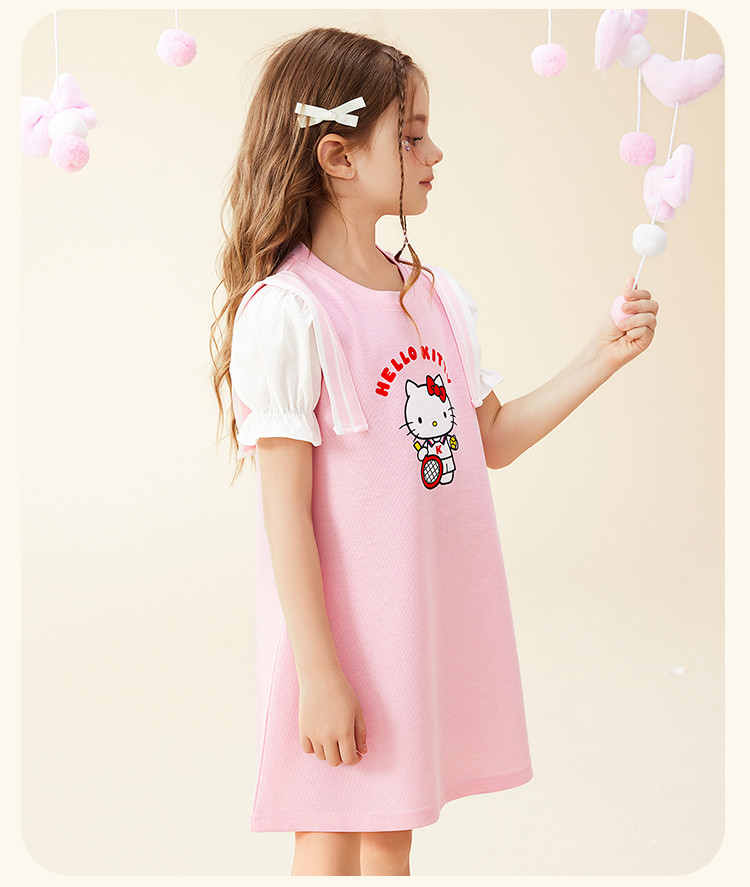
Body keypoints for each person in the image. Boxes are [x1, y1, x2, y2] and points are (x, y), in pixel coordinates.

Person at [209, 26, 658, 877]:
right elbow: (284, 512)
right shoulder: (292, 312)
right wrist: (319, 670)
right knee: (330, 828)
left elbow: (488, 440)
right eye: (411, 135)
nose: (434, 152)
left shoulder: (438, 298)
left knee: (391, 833)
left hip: (411, 617)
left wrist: (600, 356)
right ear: (338, 156)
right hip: (340, 633)